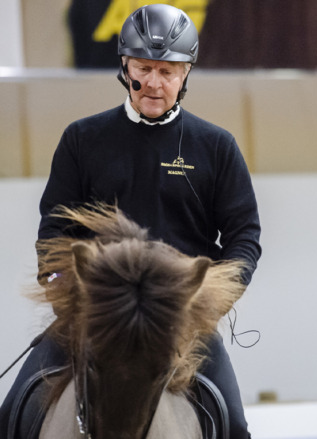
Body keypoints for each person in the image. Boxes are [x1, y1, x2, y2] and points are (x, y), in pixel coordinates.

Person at [0, 5, 261, 438]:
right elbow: (54, 229)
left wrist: (210, 301)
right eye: (144, 69)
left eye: (167, 71)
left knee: (233, 426)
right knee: (9, 415)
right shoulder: (82, 139)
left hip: (178, 317)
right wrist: (65, 292)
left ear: (185, 73)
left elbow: (244, 235)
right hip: (98, 312)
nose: (155, 83)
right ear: (125, 67)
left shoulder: (217, 147)